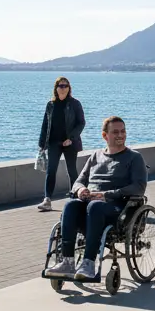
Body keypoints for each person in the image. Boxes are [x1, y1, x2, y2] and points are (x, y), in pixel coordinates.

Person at [45, 116, 148, 282]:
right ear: (105, 136)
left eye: (123, 131)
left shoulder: (134, 158)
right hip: (90, 204)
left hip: (117, 208)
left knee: (95, 206)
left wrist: (107, 194)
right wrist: (80, 190)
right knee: (71, 205)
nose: (120, 135)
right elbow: (78, 181)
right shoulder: (95, 156)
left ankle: (89, 263)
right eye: (115, 132)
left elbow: (139, 187)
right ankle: (67, 262)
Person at [37, 76, 86, 212]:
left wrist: (71, 138)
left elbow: (81, 123)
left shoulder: (75, 104)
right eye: (61, 86)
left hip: (70, 143)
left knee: (72, 171)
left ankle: (75, 198)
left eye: (66, 86)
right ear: (56, 88)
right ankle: (47, 200)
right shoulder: (51, 105)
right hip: (53, 143)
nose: (63, 88)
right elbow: (45, 125)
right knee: (51, 171)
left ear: (69, 88)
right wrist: (42, 143)